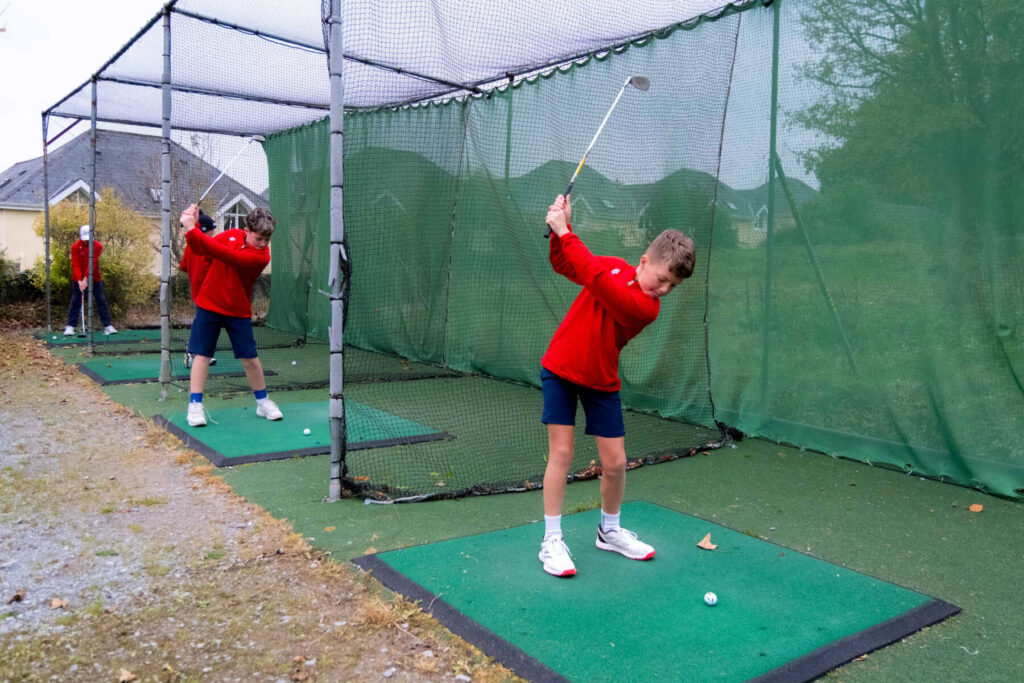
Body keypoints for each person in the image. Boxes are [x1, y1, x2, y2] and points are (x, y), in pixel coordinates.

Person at [538, 194, 695, 577]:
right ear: (644, 261)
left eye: (672, 287)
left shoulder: (645, 308)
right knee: (561, 453)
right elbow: (566, 264)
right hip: (559, 369)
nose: (664, 291)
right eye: (662, 279)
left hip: (601, 382)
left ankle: (608, 530)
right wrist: (564, 229)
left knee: (616, 463)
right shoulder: (609, 268)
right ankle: (552, 541)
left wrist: (566, 232)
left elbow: (593, 278)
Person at [178, 203, 282, 428]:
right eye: (259, 238)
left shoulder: (260, 258)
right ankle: (195, 405)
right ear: (246, 231)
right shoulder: (232, 234)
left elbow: (222, 254)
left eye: (267, 240)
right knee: (202, 356)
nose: (263, 244)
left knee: (250, 359)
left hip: (237, 310)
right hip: (209, 304)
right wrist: (193, 226)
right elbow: (202, 248)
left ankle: (263, 402)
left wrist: (191, 227)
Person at [179, 210, 218, 369]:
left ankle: (202, 353)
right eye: (211, 230)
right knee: (204, 323)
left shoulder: (191, 246)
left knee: (204, 322)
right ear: (204, 230)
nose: (213, 233)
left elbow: (183, 267)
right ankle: (192, 352)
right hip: (207, 291)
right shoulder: (208, 247)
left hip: (198, 289)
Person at [63, 224, 117, 336]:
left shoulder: (97, 246)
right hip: (77, 279)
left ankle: (107, 325)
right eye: (85, 239)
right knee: (75, 301)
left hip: (95, 278)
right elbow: (75, 264)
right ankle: (70, 326)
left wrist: (86, 278)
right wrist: (79, 280)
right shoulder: (75, 247)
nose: (87, 241)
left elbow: (92, 263)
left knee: (101, 300)